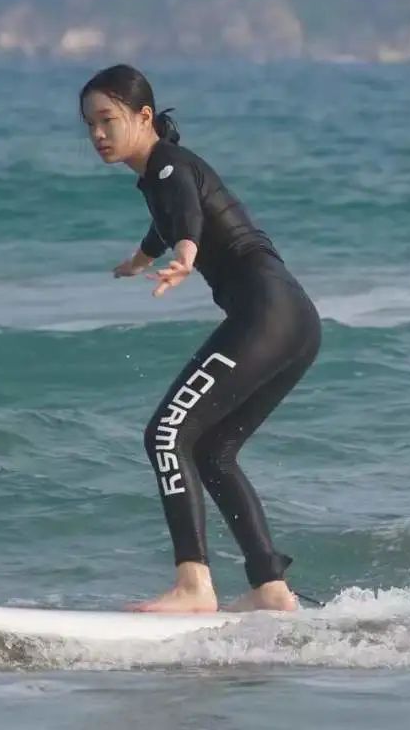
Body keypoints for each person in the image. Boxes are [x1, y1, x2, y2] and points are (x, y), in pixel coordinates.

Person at [79, 64, 321, 614]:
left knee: (166, 435)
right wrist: (142, 257)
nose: (97, 134)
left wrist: (185, 254)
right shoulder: (161, 174)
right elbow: (169, 217)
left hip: (266, 313)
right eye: (89, 124)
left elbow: (185, 213)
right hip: (296, 320)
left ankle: (193, 587)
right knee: (212, 451)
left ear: (144, 116)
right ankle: (270, 588)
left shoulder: (169, 165)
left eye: (107, 120)